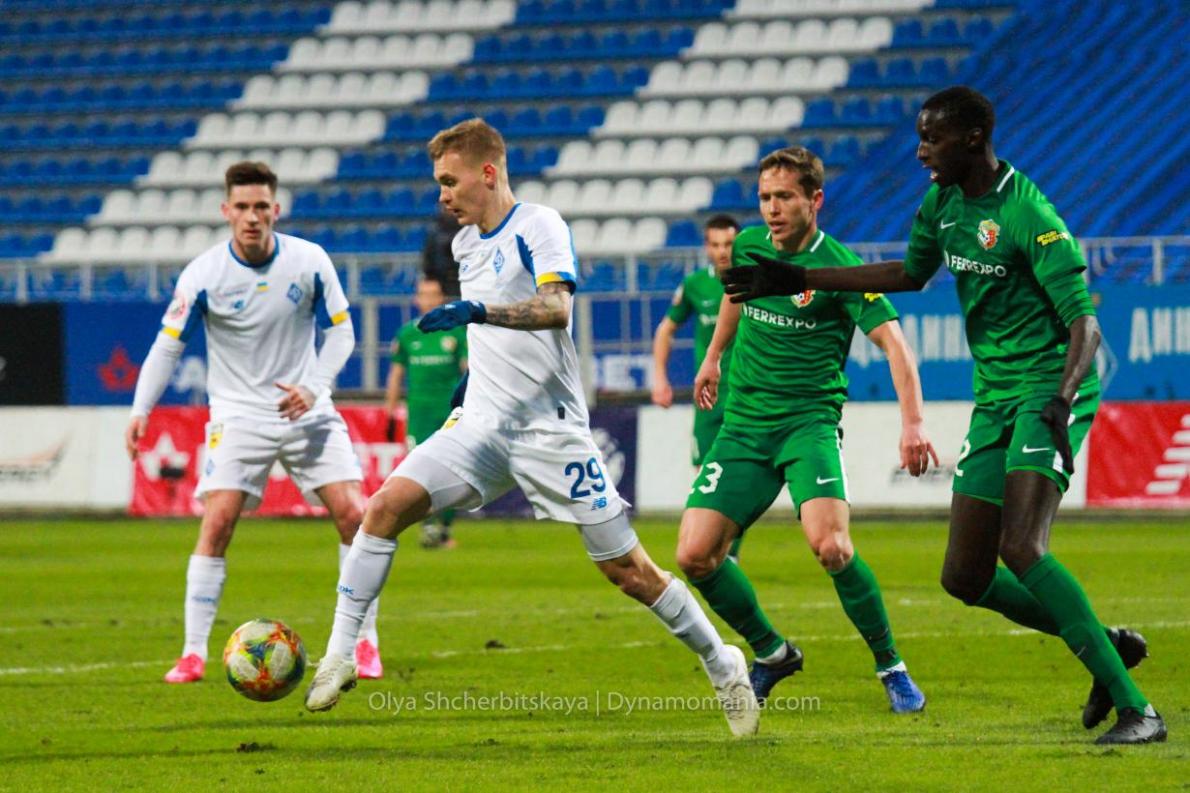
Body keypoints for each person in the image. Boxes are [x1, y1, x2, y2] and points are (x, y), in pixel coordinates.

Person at [723, 86, 1165, 744]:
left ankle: (1139, 711)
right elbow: (908, 274)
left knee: (1022, 546)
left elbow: (1086, 324)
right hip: (995, 395)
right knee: (965, 576)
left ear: (972, 139)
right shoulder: (942, 203)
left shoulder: (1027, 212)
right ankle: (1104, 644)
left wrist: (1062, 398)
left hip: (1048, 387)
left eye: (932, 138)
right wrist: (800, 278)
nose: (921, 151)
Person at [303, 119, 761, 736]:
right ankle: (340, 655)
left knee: (629, 572)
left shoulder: (538, 225)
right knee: (382, 509)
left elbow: (555, 308)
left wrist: (477, 310)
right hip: (479, 426)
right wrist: (469, 381)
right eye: (439, 183)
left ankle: (723, 663)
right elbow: (491, 343)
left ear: (488, 173)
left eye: (450, 181)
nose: (442, 195)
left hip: (551, 432)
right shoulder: (464, 244)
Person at [678, 146, 937, 713]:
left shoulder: (839, 270)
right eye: (765, 197)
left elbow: (895, 345)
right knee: (694, 556)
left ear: (815, 200)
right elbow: (736, 296)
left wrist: (913, 424)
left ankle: (891, 667)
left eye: (784, 197)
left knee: (832, 547)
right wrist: (714, 357)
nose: (771, 209)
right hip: (744, 426)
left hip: (807, 425)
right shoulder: (749, 245)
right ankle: (773, 653)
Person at [125, 161, 386, 684]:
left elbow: (342, 334)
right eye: (242, 207)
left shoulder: (309, 261)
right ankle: (192, 653)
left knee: (355, 515)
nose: (252, 217)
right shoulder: (203, 274)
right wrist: (140, 410)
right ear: (226, 211)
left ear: (276, 210)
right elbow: (167, 346)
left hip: (307, 408)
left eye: (261, 207)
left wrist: (313, 387)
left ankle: (363, 642)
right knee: (217, 522)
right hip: (239, 415)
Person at [383, 275, 468, 548]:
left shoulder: (456, 332)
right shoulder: (407, 334)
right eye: (423, 294)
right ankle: (429, 526)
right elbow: (396, 375)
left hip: (450, 414)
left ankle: (444, 527)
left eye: (433, 294)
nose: (428, 300)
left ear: (441, 299)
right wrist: (390, 411)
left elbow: (469, 371)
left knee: (453, 470)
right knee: (418, 472)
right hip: (419, 414)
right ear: (416, 299)